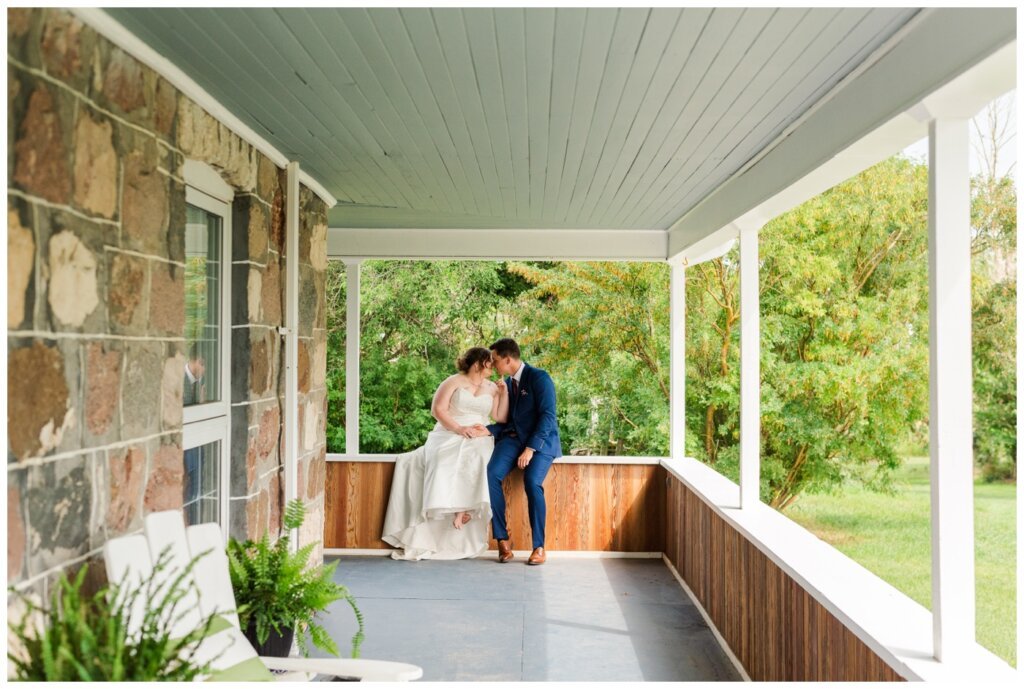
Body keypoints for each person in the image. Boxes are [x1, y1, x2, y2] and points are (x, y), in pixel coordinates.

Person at [381, 347, 506, 560]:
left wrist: (504, 395)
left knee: (480, 458)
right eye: (489, 362)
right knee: (442, 460)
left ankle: (465, 509)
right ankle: (453, 508)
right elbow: (437, 410)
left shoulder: (493, 388)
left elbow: (499, 417)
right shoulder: (453, 382)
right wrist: (459, 429)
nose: (492, 366)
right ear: (478, 363)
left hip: (479, 435)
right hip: (450, 431)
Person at [486, 338, 562, 566]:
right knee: (492, 473)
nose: (493, 365)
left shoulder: (540, 378)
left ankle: (539, 546)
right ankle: (502, 540)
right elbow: (510, 420)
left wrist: (530, 449)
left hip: (541, 443)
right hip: (514, 439)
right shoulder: (508, 384)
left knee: (532, 481)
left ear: (508, 359)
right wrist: (487, 430)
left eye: (495, 360)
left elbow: (548, 416)